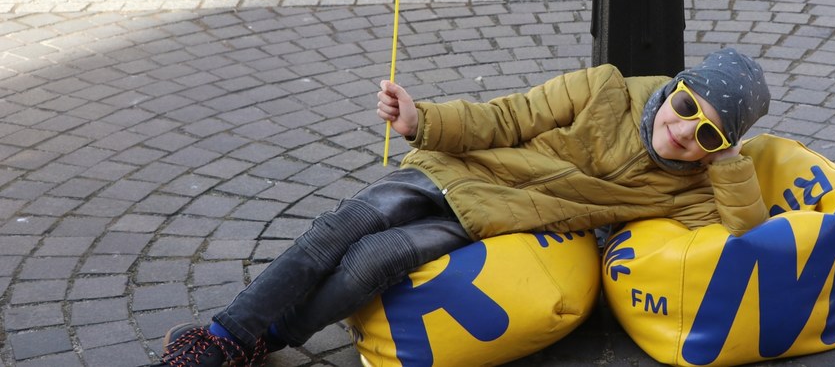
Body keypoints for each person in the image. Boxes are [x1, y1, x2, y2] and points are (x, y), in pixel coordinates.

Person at [149, 48, 772, 367]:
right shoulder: (605, 86)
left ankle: (272, 337)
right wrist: (424, 121)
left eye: (711, 135)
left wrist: (731, 166)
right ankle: (223, 334)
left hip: (491, 219)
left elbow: (746, 234)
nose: (687, 132)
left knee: (379, 258)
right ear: (675, 89)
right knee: (346, 225)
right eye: (687, 108)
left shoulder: (691, 185)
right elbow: (507, 116)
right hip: (457, 170)